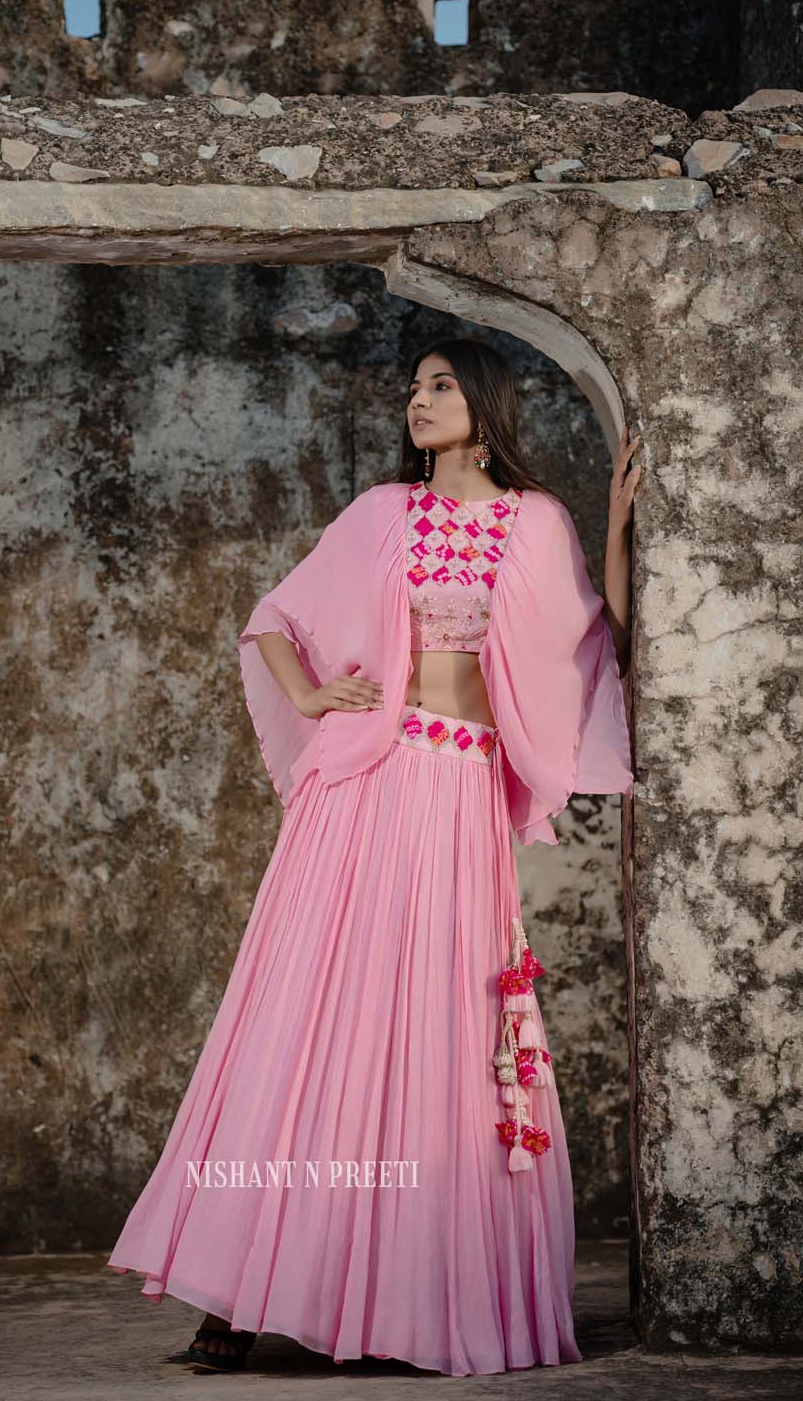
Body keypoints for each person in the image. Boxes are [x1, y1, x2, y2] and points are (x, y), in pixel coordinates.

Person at [106, 337, 641, 1377]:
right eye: (412, 389)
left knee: (433, 1030)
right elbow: (274, 620)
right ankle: (236, 1293)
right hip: (360, 788)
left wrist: (615, 527)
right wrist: (311, 697)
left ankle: (407, 1296)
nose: (417, 401)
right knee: (302, 1020)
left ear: (482, 407)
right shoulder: (379, 514)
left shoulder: (535, 523)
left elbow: (599, 635)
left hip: (457, 795)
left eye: (438, 386)